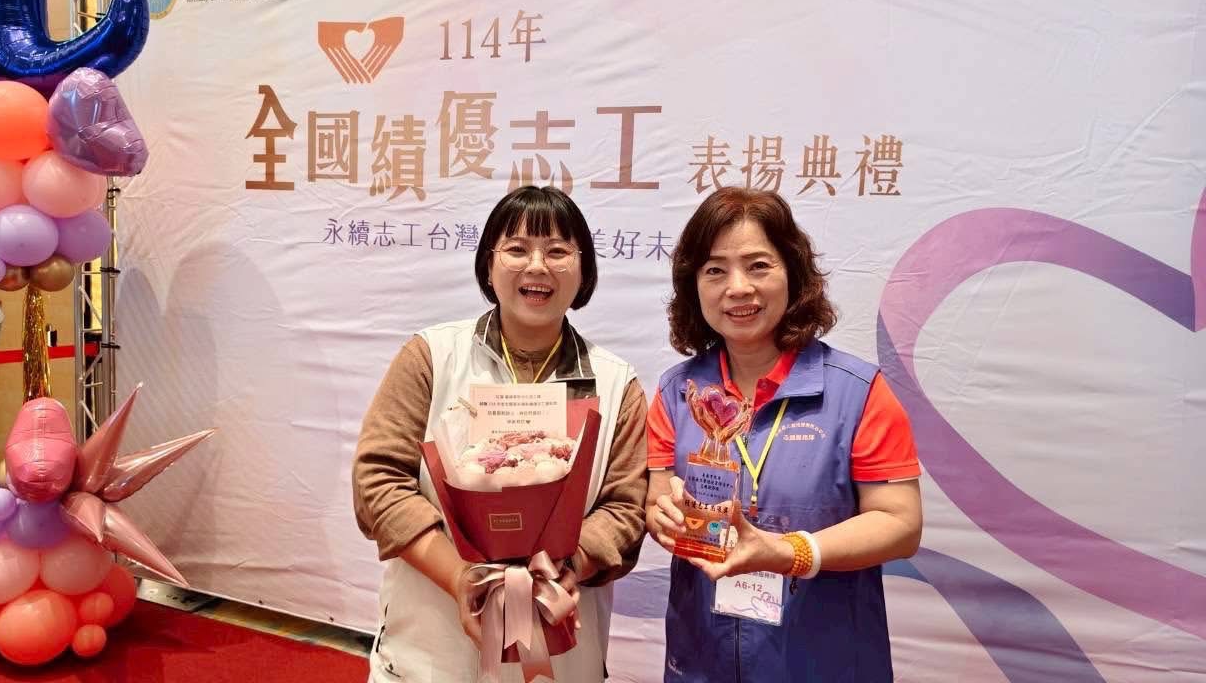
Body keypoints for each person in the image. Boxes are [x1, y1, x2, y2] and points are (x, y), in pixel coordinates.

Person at [353, 186, 649, 682]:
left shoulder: (617, 383)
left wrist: (567, 565)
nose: (537, 265)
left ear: (584, 269)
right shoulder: (431, 357)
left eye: (558, 251)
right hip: (433, 651)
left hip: (560, 651)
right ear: (488, 265)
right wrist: (459, 576)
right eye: (516, 249)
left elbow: (626, 509)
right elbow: (378, 483)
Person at [645, 187, 922, 681]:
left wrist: (789, 552)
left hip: (823, 661)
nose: (738, 288)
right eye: (715, 270)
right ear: (693, 286)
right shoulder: (676, 392)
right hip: (702, 658)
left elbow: (900, 524)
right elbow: (658, 497)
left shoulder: (858, 392)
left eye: (758, 266)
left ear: (793, 274)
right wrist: (662, 516)